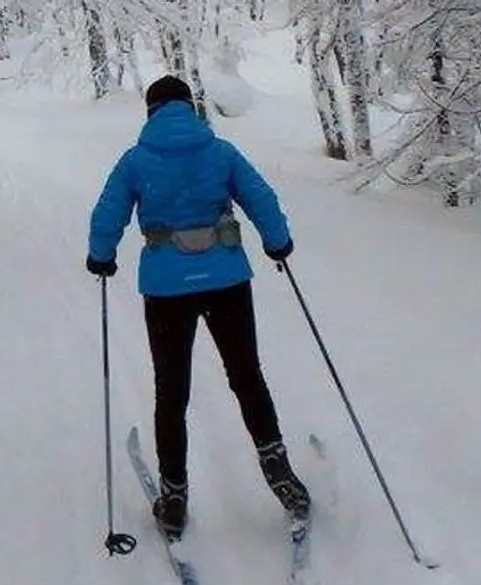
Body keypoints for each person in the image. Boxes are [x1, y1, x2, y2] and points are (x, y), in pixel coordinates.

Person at [85, 75, 309, 540]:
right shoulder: (220, 152)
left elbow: (108, 213)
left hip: (167, 290)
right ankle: (280, 474)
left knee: (171, 390)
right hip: (227, 279)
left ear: (151, 112)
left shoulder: (136, 160)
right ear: (189, 108)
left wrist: (101, 255)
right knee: (247, 376)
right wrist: (278, 242)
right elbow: (261, 198)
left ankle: (174, 496)